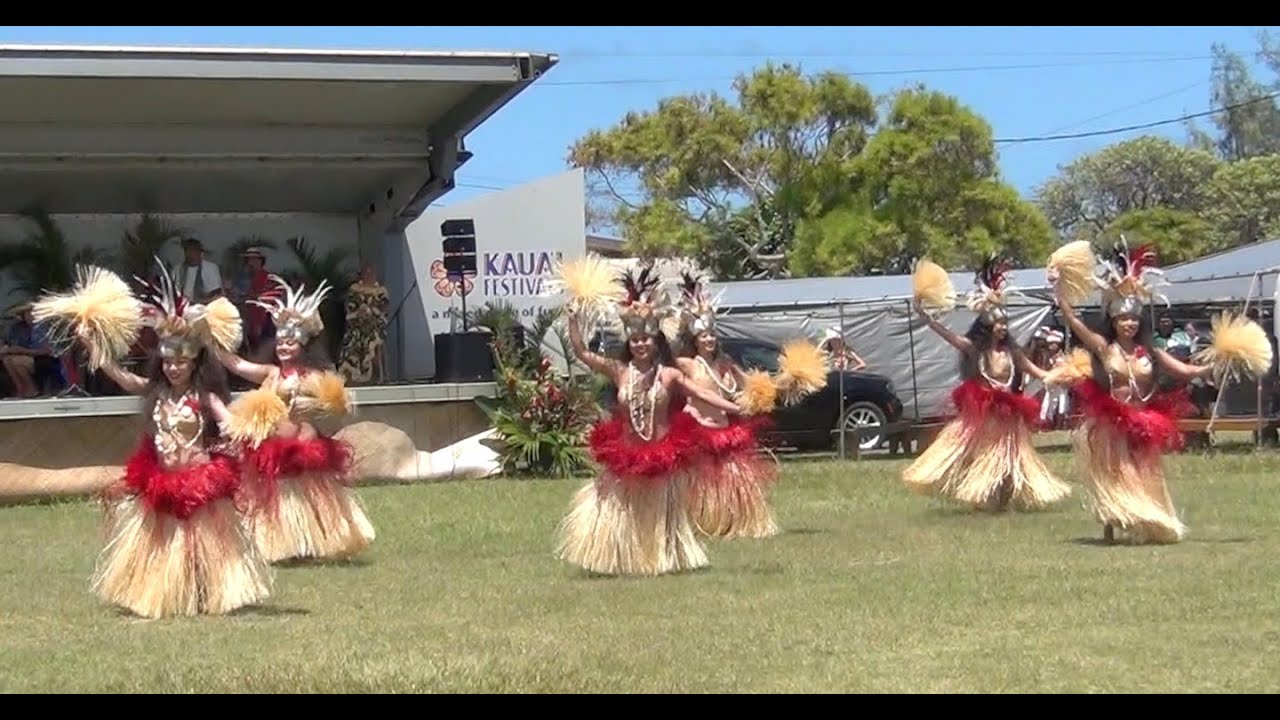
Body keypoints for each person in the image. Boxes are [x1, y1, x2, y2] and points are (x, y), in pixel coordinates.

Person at [36, 260, 273, 619]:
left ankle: (210, 591)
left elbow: (228, 420)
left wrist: (244, 428)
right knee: (166, 546)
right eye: (168, 362)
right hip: (164, 480)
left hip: (199, 482)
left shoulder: (204, 397)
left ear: (194, 363)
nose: (173, 368)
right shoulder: (157, 393)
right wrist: (96, 349)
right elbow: (125, 379)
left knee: (203, 545)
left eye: (181, 362)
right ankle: (168, 592)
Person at [555, 266, 744, 577]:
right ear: (629, 343)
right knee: (620, 509)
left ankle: (663, 556)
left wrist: (736, 407)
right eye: (636, 340)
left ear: (656, 342)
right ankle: (621, 556)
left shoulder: (669, 375)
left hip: (662, 452)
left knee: (662, 515)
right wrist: (574, 318)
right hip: (628, 452)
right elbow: (581, 353)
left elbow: (701, 393)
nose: (641, 344)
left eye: (646, 339)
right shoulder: (619, 371)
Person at [1054, 242, 1213, 544]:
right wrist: (1060, 288)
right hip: (1111, 418)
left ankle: (1146, 516)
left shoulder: (1149, 351)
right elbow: (1073, 321)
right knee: (1116, 470)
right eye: (1123, 319)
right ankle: (1113, 521)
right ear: (1113, 322)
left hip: (1143, 418)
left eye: (1133, 319)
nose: (1129, 323)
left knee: (1143, 470)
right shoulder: (1104, 348)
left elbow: (1185, 371)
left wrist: (1216, 364)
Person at [214, 274, 374, 563]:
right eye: (280, 342)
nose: (284, 347)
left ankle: (311, 543)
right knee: (277, 499)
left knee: (307, 499)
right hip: (275, 449)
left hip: (304, 449)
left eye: (290, 343)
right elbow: (236, 365)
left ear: (303, 346)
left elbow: (337, 408)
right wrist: (211, 342)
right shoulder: (272, 374)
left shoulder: (314, 378)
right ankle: (279, 545)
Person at [904, 255, 1072, 512]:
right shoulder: (974, 349)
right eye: (998, 324)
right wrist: (924, 315)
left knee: (1009, 457)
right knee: (985, 454)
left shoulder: (1013, 352)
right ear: (987, 327)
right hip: (985, 412)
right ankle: (981, 493)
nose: (1003, 328)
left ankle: (1002, 498)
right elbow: (949, 336)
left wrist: (1058, 375)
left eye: (1005, 323)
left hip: (1009, 413)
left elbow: (1036, 371)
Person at [673, 271, 779, 539]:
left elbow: (751, 384)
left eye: (711, 335)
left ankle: (728, 522)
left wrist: (779, 386)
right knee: (699, 483)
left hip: (725, 430)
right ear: (694, 339)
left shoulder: (726, 363)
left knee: (731, 481)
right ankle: (697, 523)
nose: (708, 339)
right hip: (698, 432)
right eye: (703, 336)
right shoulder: (687, 364)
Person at [338, 265, 389, 385]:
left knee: (372, 341)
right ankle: (352, 377)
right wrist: (358, 312)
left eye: (371, 272)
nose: (369, 274)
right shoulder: (354, 290)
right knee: (351, 341)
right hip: (356, 325)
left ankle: (375, 377)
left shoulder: (381, 291)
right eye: (367, 272)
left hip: (374, 326)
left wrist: (371, 312)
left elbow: (384, 310)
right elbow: (349, 307)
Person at [173, 237, 224, 304]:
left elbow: (217, 292)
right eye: (188, 250)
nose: (191, 253)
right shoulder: (177, 269)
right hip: (183, 305)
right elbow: (175, 290)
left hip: (206, 304)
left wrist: (202, 301)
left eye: (194, 250)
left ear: (200, 252)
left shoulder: (211, 268)